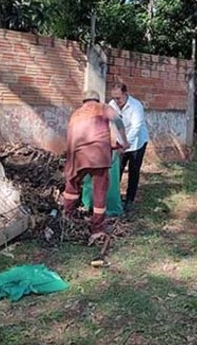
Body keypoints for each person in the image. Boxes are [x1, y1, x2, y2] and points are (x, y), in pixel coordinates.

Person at [63, 90, 129, 235]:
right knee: (99, 191)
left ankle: (67, 218)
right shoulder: (103, 108)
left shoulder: (76, 114)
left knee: (71, 187)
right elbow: (118, 122)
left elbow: (70, 137)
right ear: (97, 100)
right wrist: (124, 142)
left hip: (77, 157)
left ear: (84, 101)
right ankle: (97, 228)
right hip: (98, 156)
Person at [109, 83, 150, 209]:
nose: (116, 101)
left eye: (119, 98)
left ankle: (129, 200)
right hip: (121, 143)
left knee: (133, 171)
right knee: (117, 170)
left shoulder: (136, 106)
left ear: (126, 94)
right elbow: (112, 125)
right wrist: (115, 143)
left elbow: (135, 128)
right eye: (114, 97)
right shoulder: (112, 105)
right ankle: (115, 198)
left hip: (137, 143)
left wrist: (125, 145)